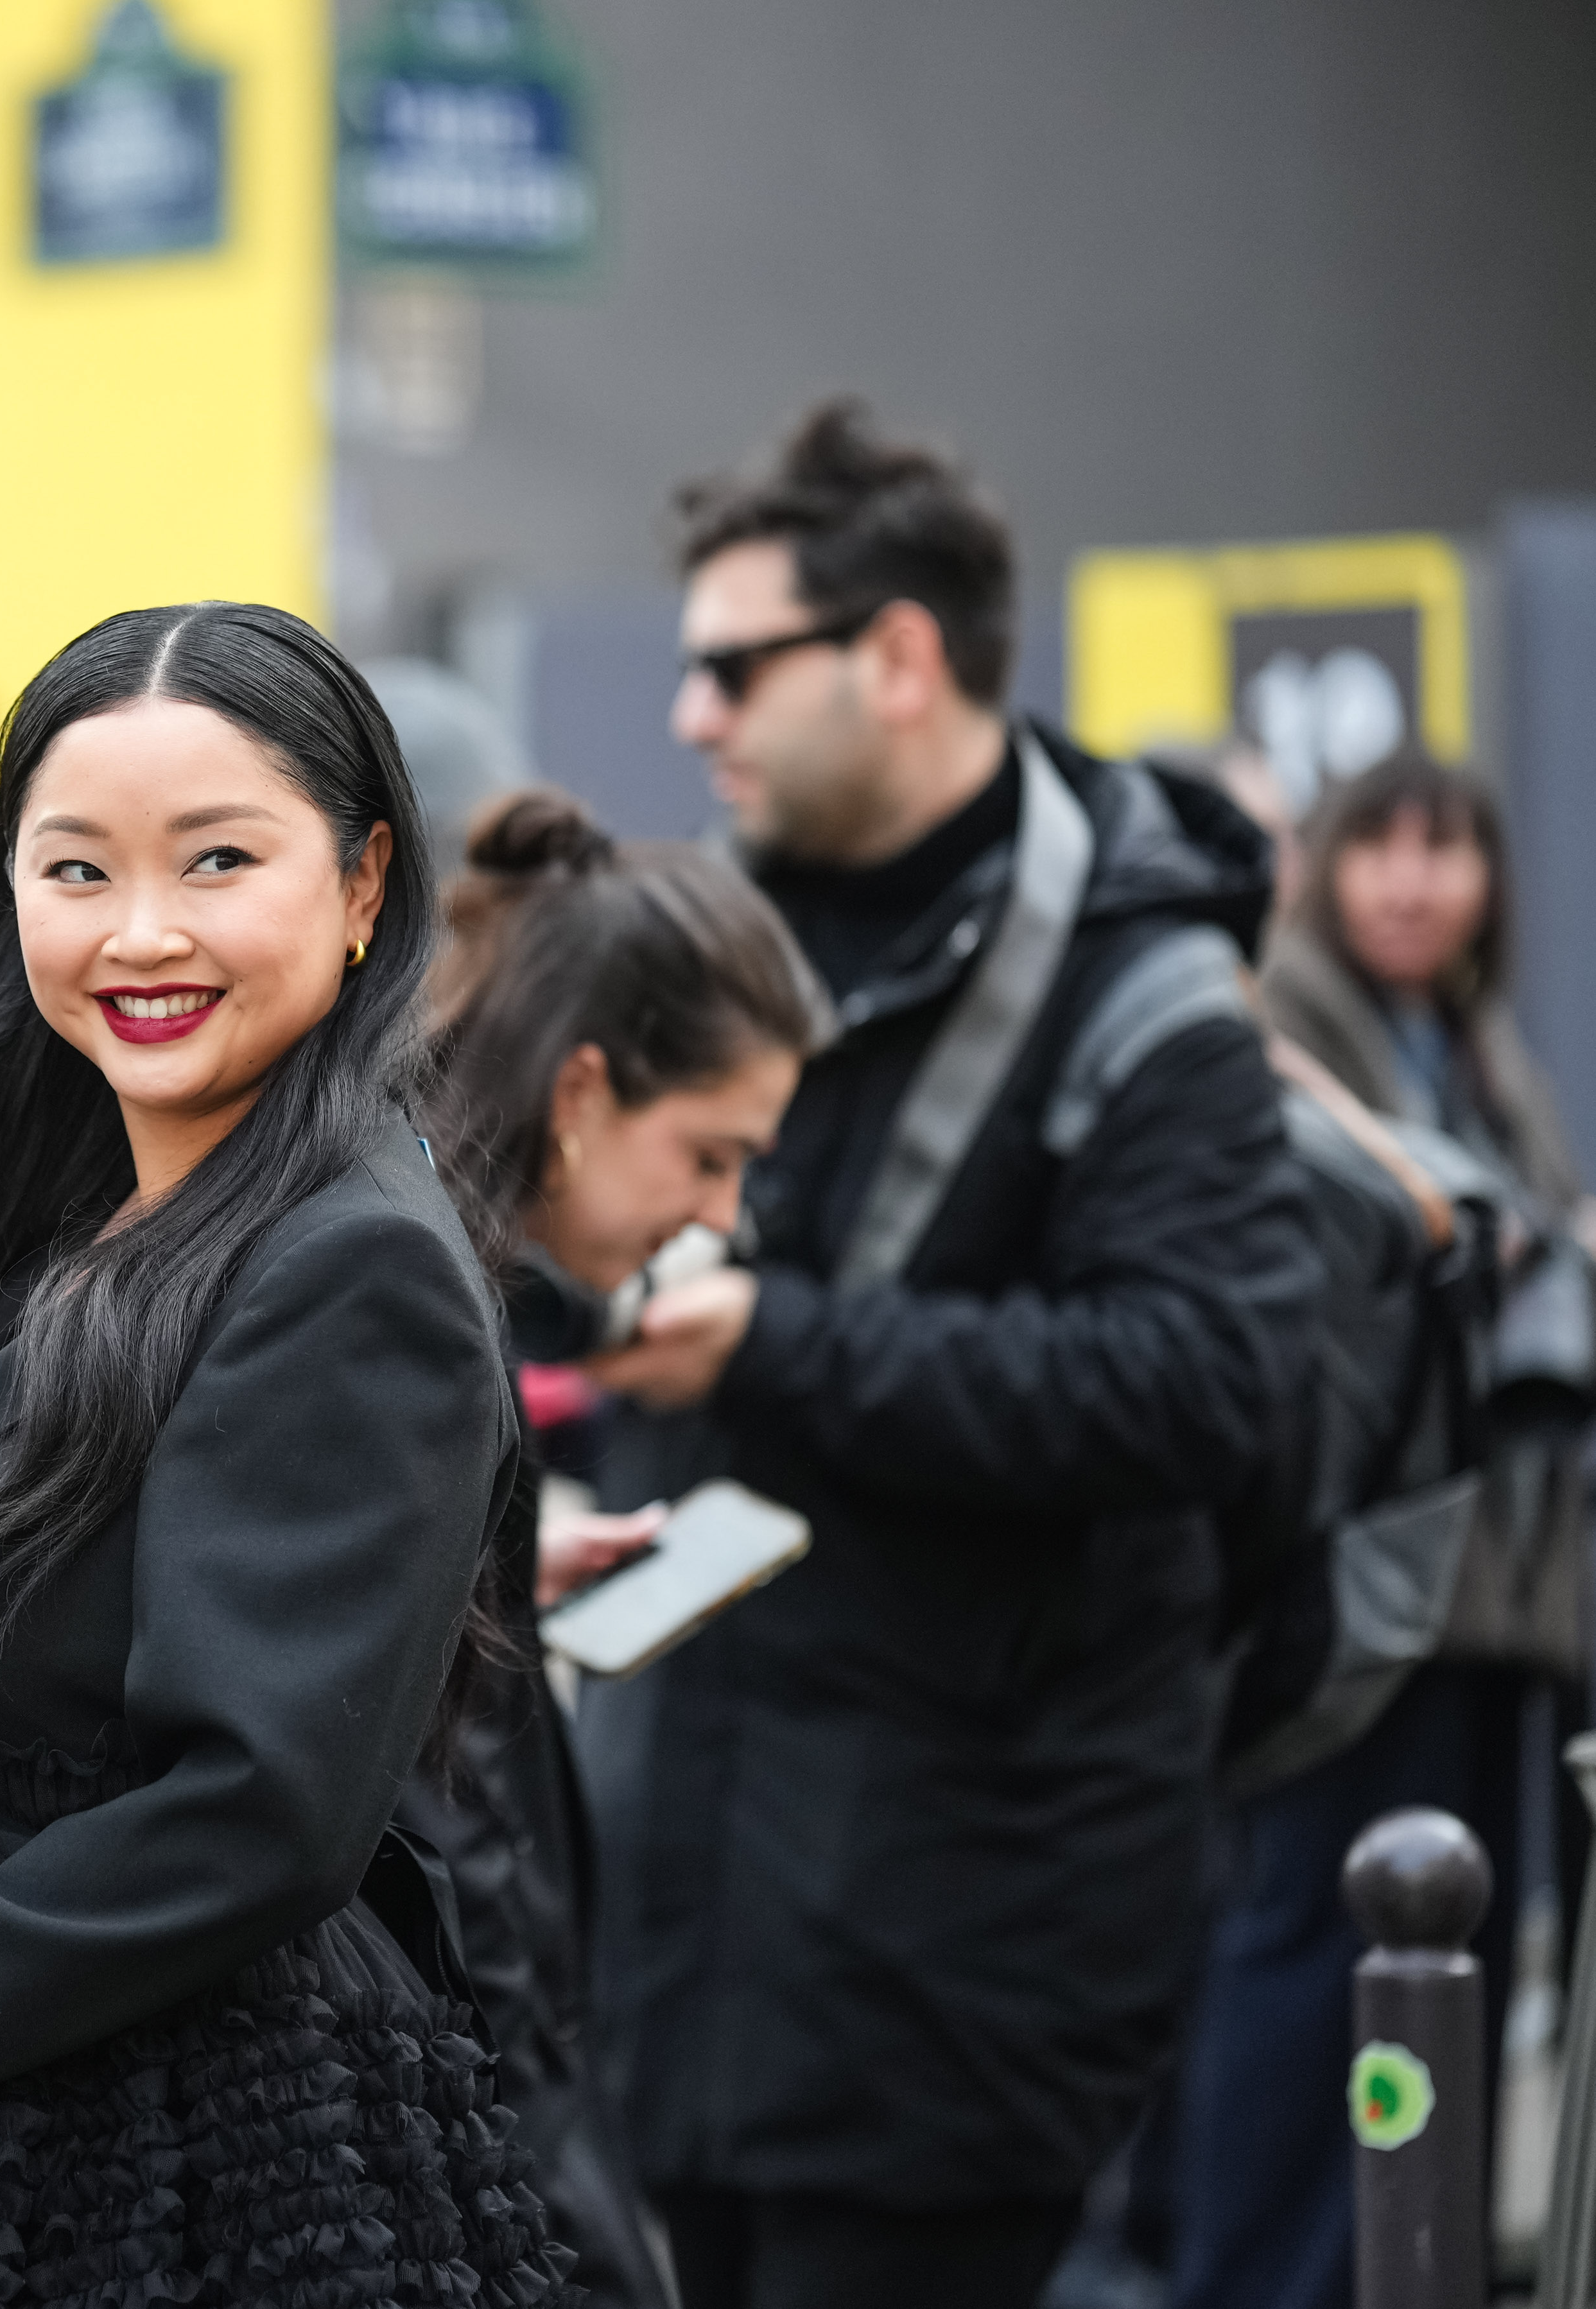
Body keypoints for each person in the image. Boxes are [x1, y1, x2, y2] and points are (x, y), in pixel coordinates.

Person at [0, 601, 571, 2308]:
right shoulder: (82, 1205)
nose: (140, 933)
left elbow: (252, 1812)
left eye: (216, 860)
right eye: (76, 870)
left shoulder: (345, 1250)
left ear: (365, 884)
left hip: (194, 2154)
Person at [571, 402, 1319, 2309]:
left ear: (898, 657)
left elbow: (1195, 1381)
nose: (688, 713)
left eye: (733, 663)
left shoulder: (1145, 986)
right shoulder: (721, 940)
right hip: (692, 1917)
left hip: (964, 1941)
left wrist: (776, 1341)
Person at [1172, 745, 1591, 2309]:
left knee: (1453, 1979)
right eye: (1381, 847)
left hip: (1496, 1603)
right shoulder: (1276, 1035)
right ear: (1327, 865)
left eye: (1448, 848)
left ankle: (1401, 2270)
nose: (1413, 880)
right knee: (1308, 1973)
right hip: (1348, 1599)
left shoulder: (1476, 1047)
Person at [412, 790, 822, 2309]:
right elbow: (443, 1848)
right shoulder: (408, 1294)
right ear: (579, 1090)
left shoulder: (409, 1251)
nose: (716, 1216)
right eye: (708, 1154)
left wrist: (491, 1579)